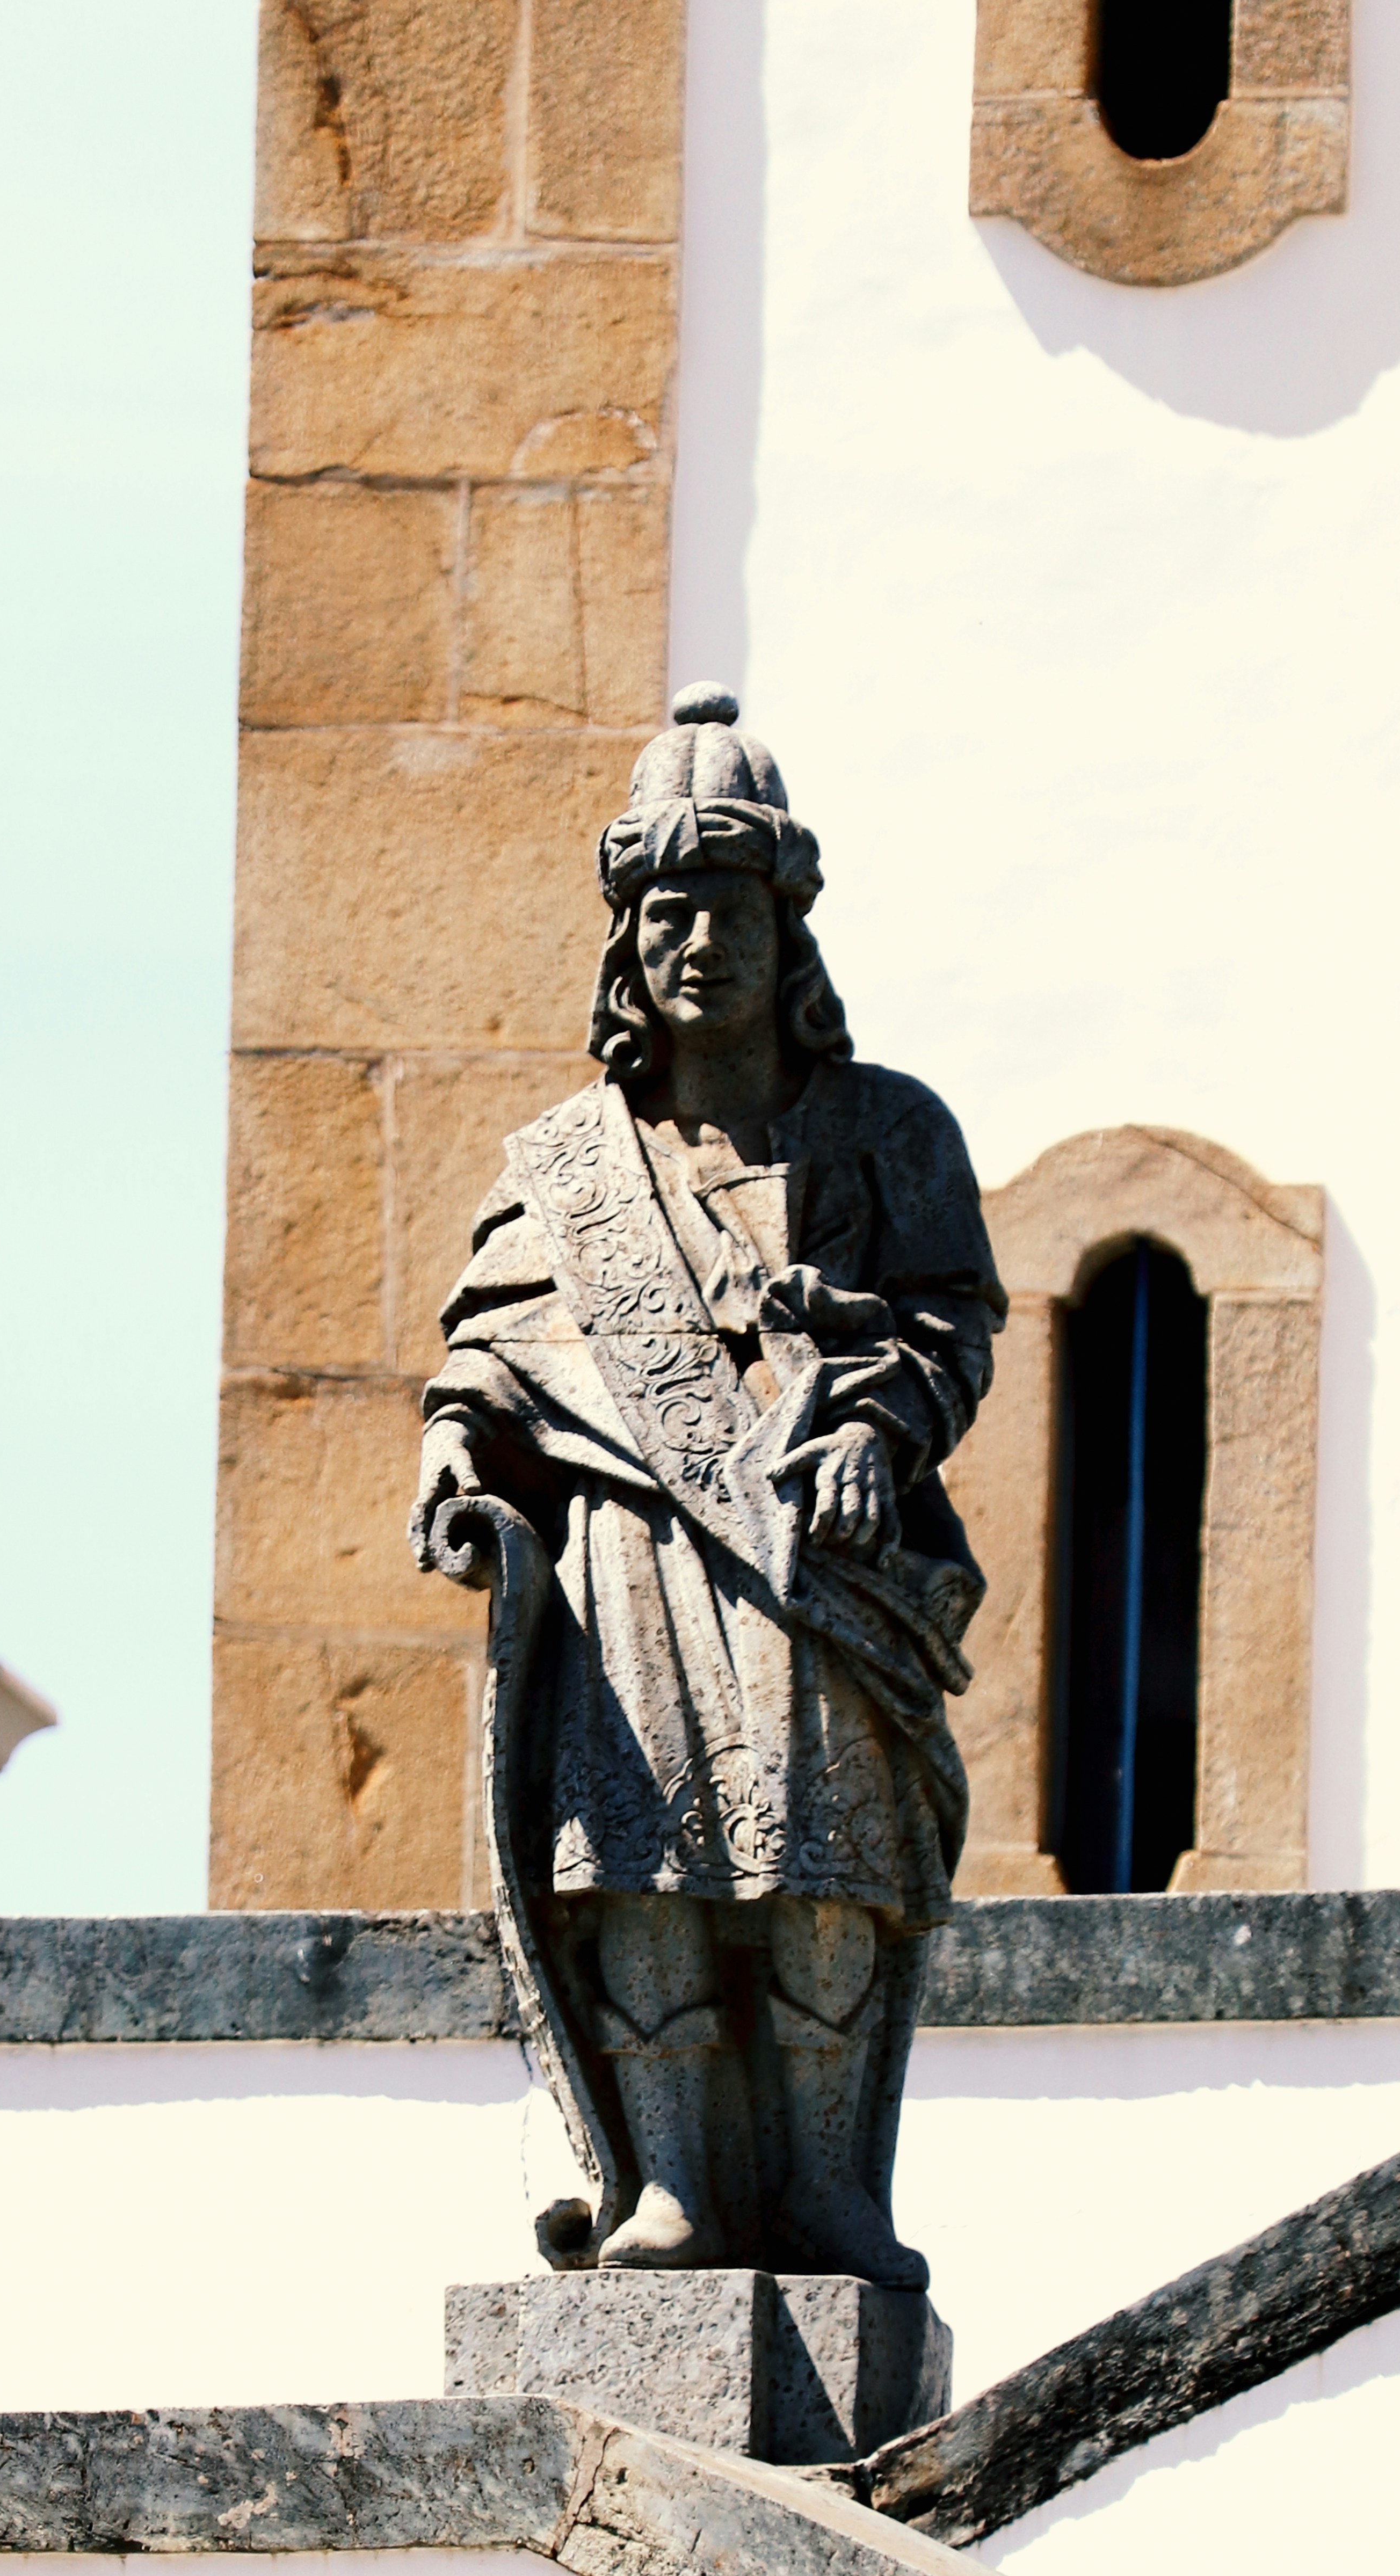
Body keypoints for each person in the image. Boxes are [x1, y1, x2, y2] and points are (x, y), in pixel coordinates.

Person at [408, 686, 1004, 2288]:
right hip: (628, 1555)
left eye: (729, 909)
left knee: (823, 1868)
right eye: (667, 912)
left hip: (815, 1553)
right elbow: (493, 1345)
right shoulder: (567, 1163)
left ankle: (825, 2191)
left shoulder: (890, 1132)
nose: (699, 944)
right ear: (629, 940)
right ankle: (668, 2181)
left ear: (785, 931)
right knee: (643, 1862)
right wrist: (458, 1446)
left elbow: (954, 1322)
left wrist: (882, 1425)